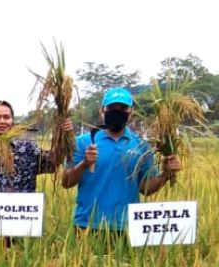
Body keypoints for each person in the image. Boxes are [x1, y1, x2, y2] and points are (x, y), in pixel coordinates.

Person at [61, 86, 180, 232]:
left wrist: (166, 174)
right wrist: (84, 164)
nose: (117, 112)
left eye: (123, 108)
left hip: (128, 227)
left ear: (131, 113)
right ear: (102, 110)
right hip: (87, 225)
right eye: (112, 107)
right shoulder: (82, 142)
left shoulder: (142, 147)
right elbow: (66, 182)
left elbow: (146, 189)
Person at [0, 100, 61, 193]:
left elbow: (54, 160)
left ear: (12, 121)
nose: (2, 121)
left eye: (6, 117)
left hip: (22, 207)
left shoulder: (28, 149)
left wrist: (62, 132)